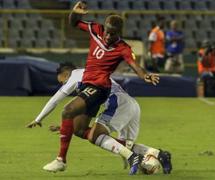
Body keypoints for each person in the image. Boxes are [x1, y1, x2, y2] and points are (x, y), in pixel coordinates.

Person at [27, 1, 159, 175]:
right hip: (88, 86)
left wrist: (145, 76)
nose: (107, 37)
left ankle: (61, 160)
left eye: (112, 34)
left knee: (67, 110)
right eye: (106, 32)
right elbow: (74, 23)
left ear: (119, 33)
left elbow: (135, 66)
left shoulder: (123, 48)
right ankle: (138, 153)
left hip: (99, 87)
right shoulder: (96, 30)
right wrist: (75, 13)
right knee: (81, 131)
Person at [26, 63, 172, 174]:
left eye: (62, 82)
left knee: (95, 136)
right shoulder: (92, 75)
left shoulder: (76, 76)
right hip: (131, 104)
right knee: (118, 142)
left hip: (117, 103)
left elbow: (55, 100)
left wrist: (38, 119)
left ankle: (134, 157)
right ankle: (158, 154)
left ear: (66, 74)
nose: (63, 85)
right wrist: (65, 127)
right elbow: (88, 112)